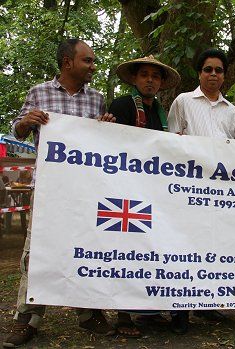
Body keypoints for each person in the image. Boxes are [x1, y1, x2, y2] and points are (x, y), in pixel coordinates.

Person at [3, 38, 116, 348]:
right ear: (68, 62)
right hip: (50, 187)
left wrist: (106, 125)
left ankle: (88, 312)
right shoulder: (39, 92)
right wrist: (26, 121)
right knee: (36, 250)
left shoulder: (96, 99)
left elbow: (102, 142)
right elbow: (18, 129)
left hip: (86, 188)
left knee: (87, 244)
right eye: (88, 61)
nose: (93, 66)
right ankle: (27, 317)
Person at [167, 48, 235, 333]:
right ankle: (179, 311)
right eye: (208, 69)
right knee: (183, 246)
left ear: (224, 76)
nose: (213, 74)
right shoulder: (183, 101)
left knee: (213, 245)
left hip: (221, 193)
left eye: (218, 70)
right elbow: (173, 142)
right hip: (188, 188)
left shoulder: (232, 111)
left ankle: (206, 302)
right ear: (199, 73)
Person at [109, 54, 180, 337]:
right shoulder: (123, 105)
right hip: (127, 191)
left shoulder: (161, 113)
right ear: (135, 79)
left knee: (153, 250)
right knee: (127, 250)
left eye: (155, 76)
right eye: (144, 75)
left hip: (155, 193)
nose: (150, 80)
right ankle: (124, 315)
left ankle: (149, 311)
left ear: (161, 83)